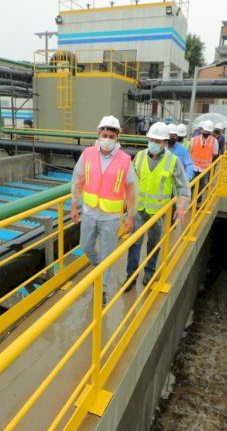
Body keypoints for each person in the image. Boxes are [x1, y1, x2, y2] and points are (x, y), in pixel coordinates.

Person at [71, 115, 137, 304]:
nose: (107, 138)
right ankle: (100, 268)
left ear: (117, 138)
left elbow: (131, 190)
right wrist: (74, 205)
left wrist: (130, 217)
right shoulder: (88, 154)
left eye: (111, 135)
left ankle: (102, 290)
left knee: (108, 255)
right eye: (104, 134)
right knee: (86, 246)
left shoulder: (125, 160)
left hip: (111, 217)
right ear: (98, 134)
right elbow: (78, 180)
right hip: (90, 212)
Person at [124, 122, 191, 291]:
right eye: (151, 139)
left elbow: (182, 186)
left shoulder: (173, 161)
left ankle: (149, 272)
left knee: (153, 243)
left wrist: (181, 207)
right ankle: (131, 276)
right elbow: (131, 183)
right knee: (134, 243)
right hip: (139, 209)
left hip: (158, 212)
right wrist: (127, 204)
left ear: (164, 143)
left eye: (157, 140)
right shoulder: (139, 156)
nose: (153, 143)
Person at [189, 120, 219, 200]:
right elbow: (190, 151)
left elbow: (215, 153)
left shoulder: (214, 141)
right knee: (191, 184)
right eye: (205, 131)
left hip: (205, 168)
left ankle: (198, 201)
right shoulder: (194, 139)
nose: (206, 133)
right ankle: (190, 200)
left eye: (208, 131)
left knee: (201, 185)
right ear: (202, 130)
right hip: (194, 166)